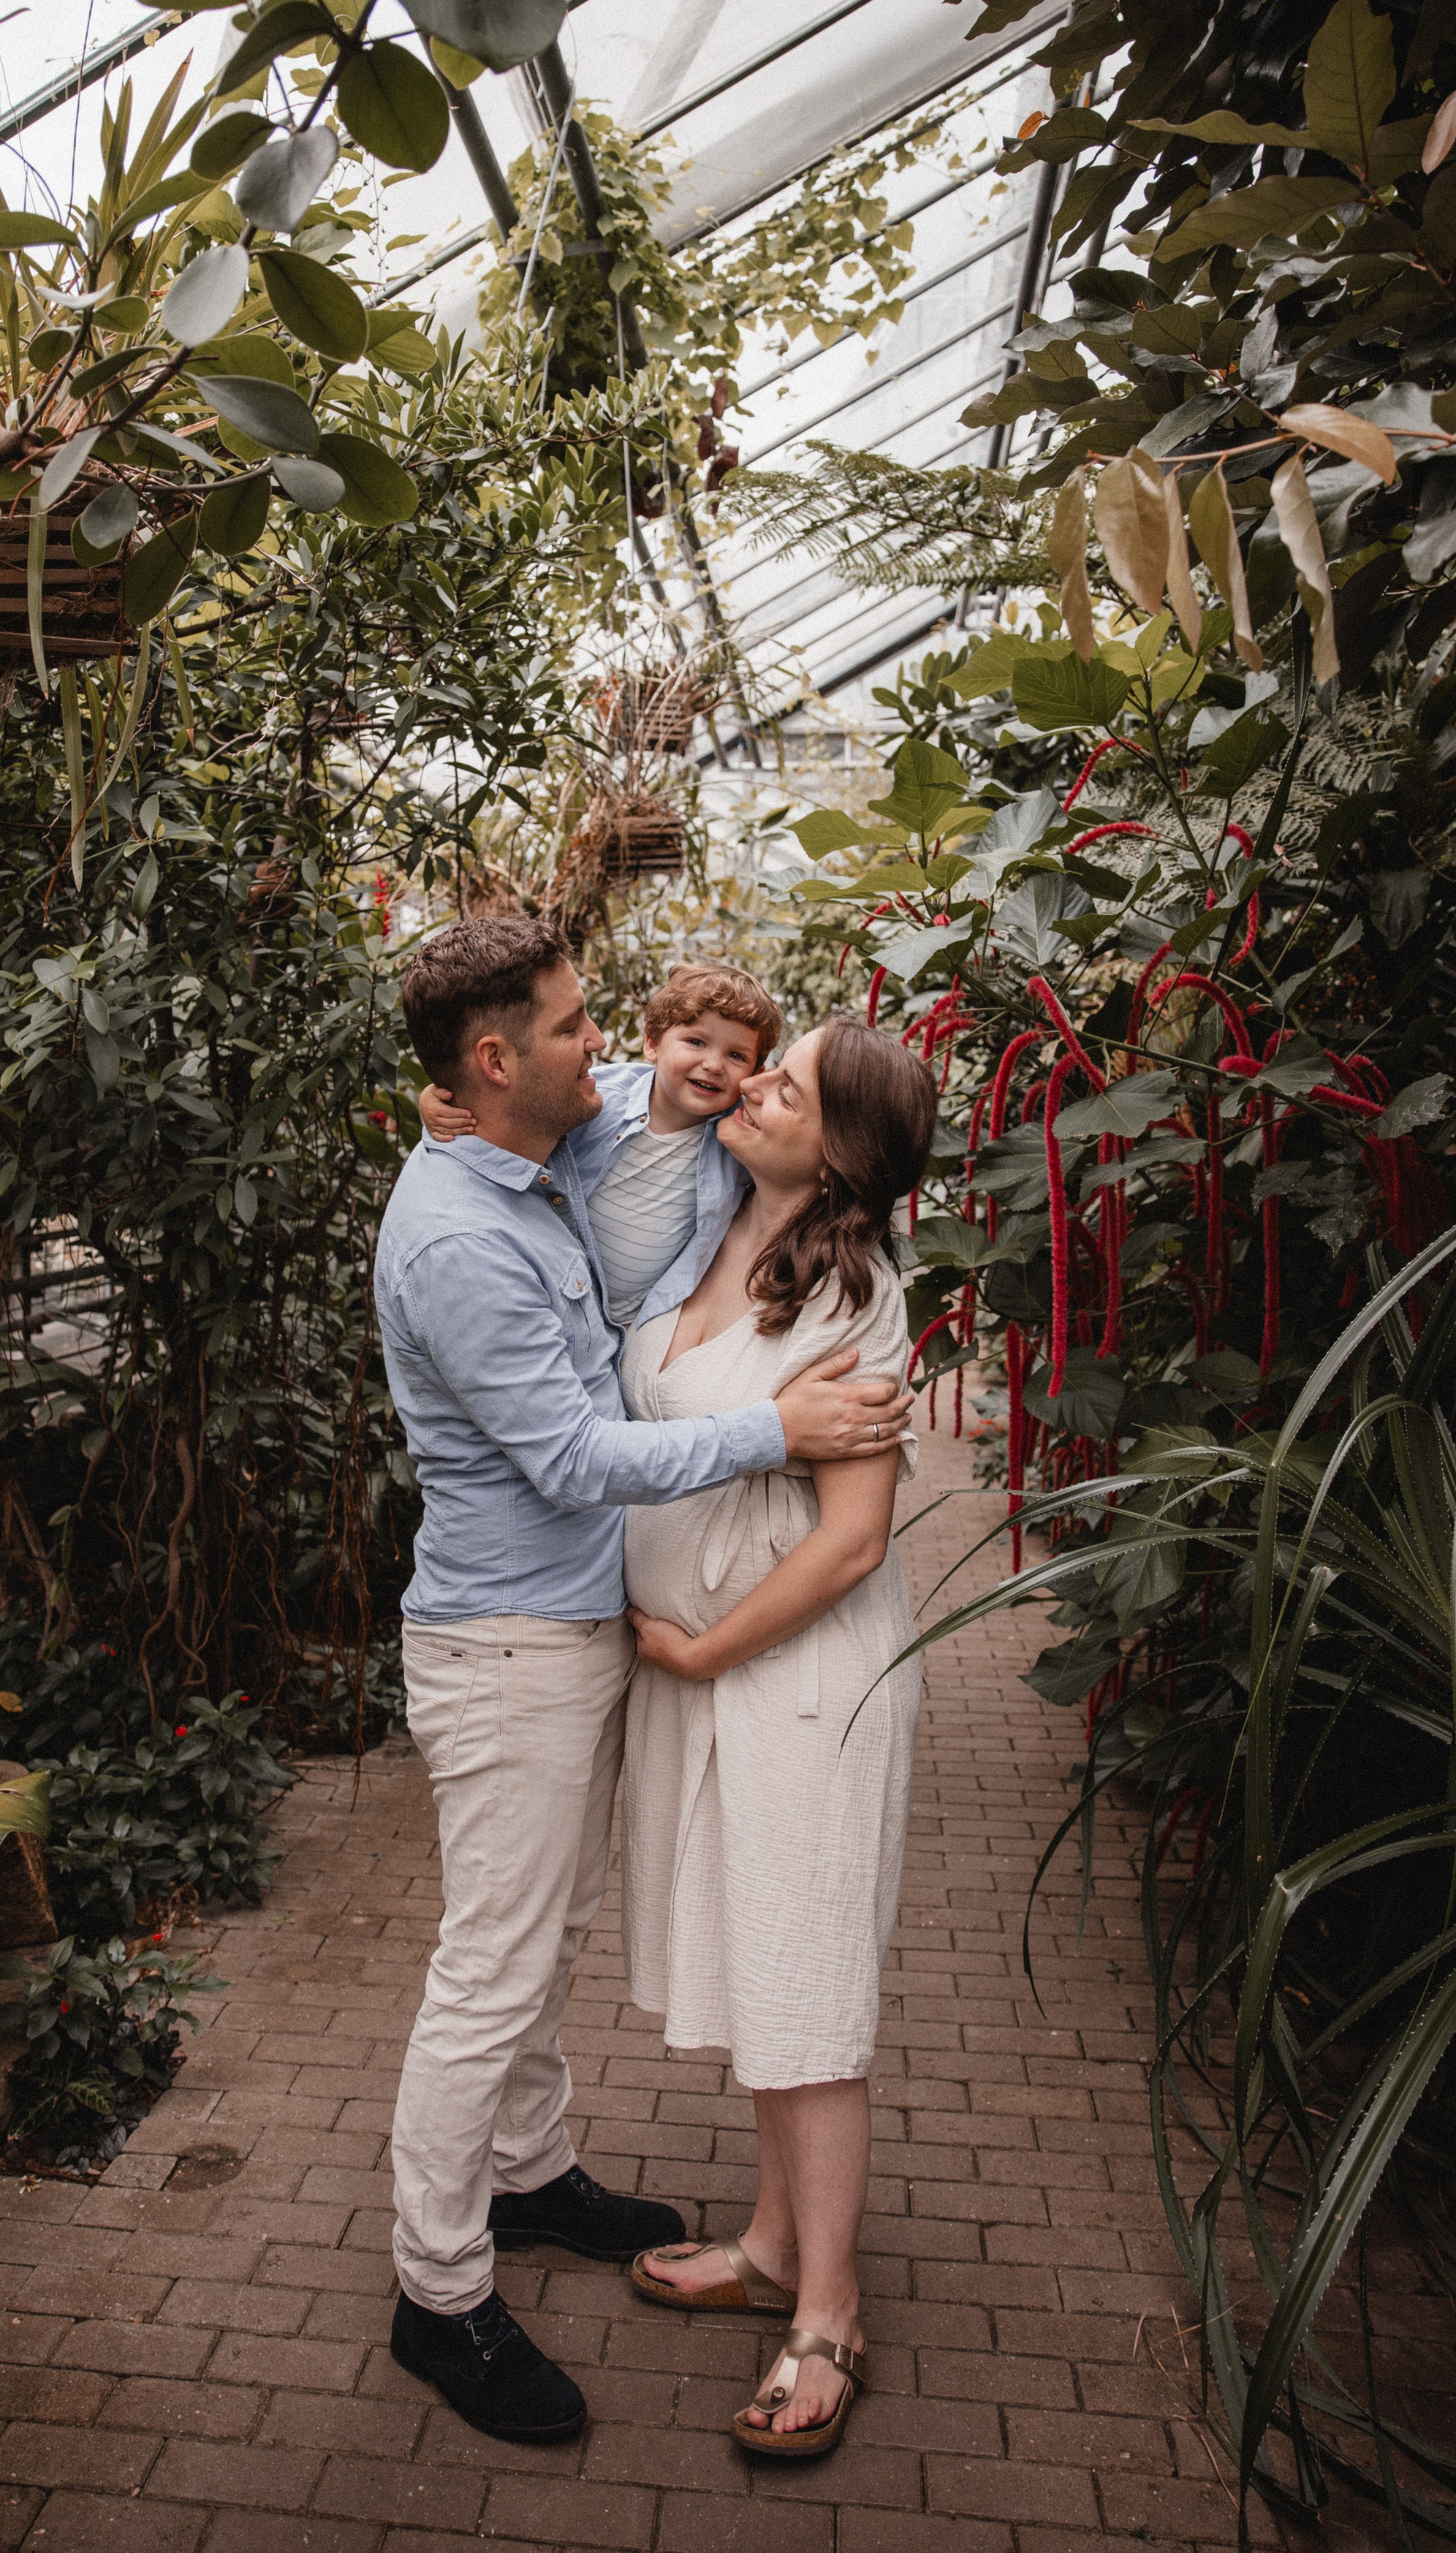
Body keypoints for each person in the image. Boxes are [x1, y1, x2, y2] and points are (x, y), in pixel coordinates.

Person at [374, 919, 917, 2448]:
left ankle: (538, 2176)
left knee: (551, 1943)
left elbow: (638, 1091)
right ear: (494, 1063)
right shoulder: (472, 1227)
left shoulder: (562, 1164)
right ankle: (438, 2283)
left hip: (657, 1657)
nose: (603, 1054)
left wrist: (471, 1110)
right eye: (566, 1030)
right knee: (493, 1964)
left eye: (778, 1083)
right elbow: (566, 1454)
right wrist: (771, 1440)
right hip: (514, 1648)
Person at [620, 1017, 939, 2462]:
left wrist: (702, 1646)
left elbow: (855, 1543)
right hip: (713, 1681)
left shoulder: (857, 1294)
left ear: (843, 1149)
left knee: (804, 1998)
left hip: (797, 1682)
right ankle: (762, 2245)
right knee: (759, 1963)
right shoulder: (705, 1224)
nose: (751, 1084)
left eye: (787, 1085)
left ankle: (827, 2307)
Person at [418, 957, 783, 1328]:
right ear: (653, 1043)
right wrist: (438, 1102)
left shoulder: (739, 1140)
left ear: (755, 1075)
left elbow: (799, 1139)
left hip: (633, 1326)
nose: (714, 1065)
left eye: (736, 1056)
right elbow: (507, 1110)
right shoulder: (601, 1098)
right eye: (696, 1042)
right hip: (559, 1298)